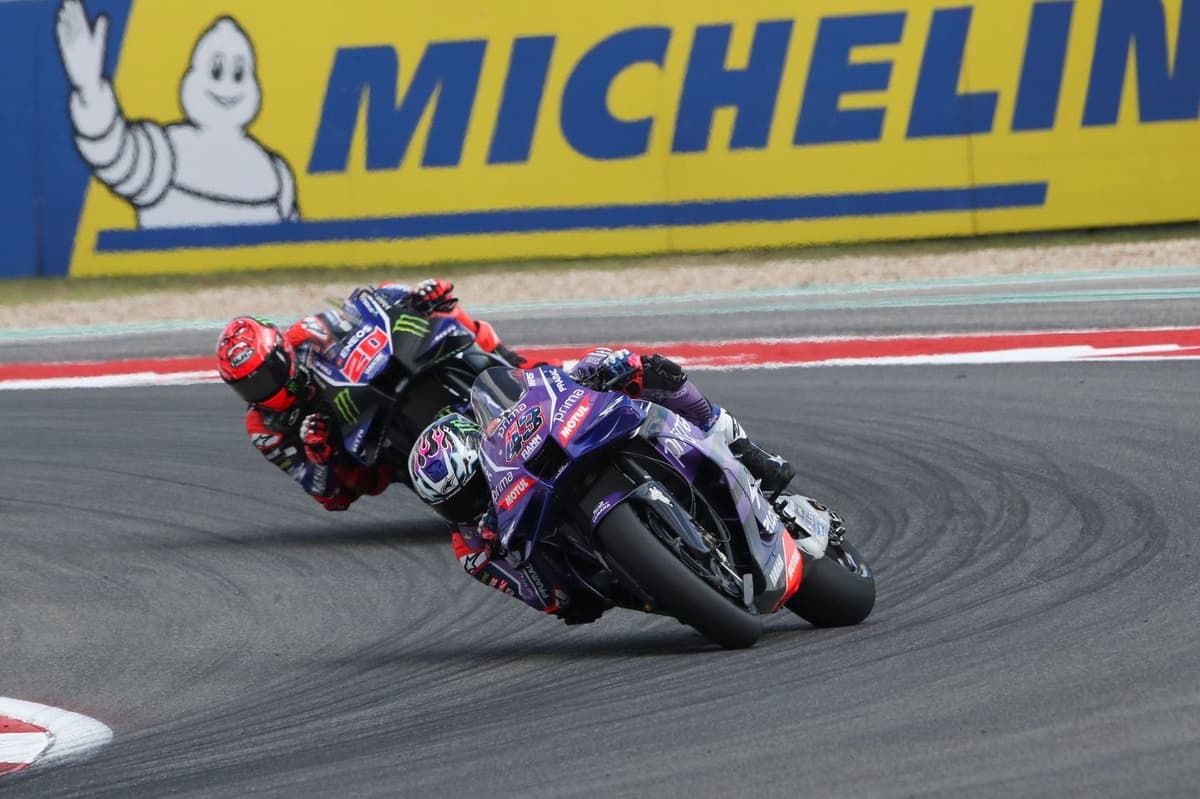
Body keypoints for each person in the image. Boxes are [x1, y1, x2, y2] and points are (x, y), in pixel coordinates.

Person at [407, 347, 798, 625]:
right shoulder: (470, 546)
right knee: (570, 598)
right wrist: (546, 589)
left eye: (475, 487)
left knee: (634, 366)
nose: (473, 503)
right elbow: (541, 595)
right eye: (456, 505)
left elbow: (533, 385)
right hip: (559, 543)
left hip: (560, 450)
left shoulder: (490, 432)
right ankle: (668, 582)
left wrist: (597, 373)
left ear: (481, 453)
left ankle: (747, 450)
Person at [215, 279, 539, 512]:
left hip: (369, 390)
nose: (262, 390)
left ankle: (516, 366)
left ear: (282, 351)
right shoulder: (264, 427)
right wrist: (321, 457)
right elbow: (328, 498)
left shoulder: (307, 332)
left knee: (447, 316)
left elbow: (361, 307)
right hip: (356, 448)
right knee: (368, 477)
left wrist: (414, 297)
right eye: (248, 387)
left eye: (266, 375)